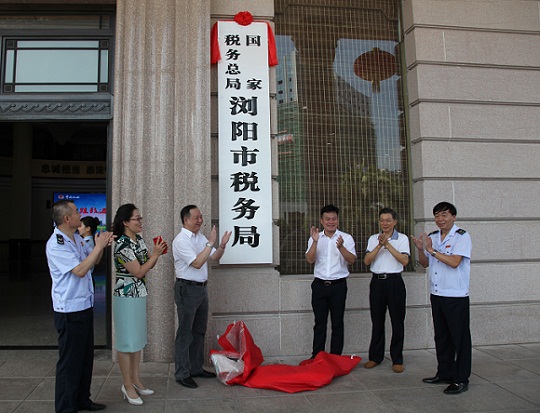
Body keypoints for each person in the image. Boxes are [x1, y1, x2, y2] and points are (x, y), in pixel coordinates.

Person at [46, 200, 114, 413]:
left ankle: (82, 399)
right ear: (67, 218)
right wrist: (99, 246)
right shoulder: (57, 243)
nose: (79, 214)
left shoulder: (75, 238)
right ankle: (66, 407)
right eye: (76, 212)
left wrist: (100, 245)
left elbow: (92, 262)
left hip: (84, 305)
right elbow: (80, 270)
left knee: (85, 359)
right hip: (69, 310)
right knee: (70, 362)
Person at [411, 201, 472, 395]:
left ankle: (461, 379)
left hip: (455, 295)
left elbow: (454, 262)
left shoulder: (462, 236)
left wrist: (432, 251)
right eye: (437, 215)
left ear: (453, 217)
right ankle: (444, 372)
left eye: (444, 215)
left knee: (459, 338)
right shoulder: (433, 236)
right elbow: (425, 264)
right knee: (442, 336)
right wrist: (422, 250)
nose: (440, 219)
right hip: (437, 293)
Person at [112, 204, 168, 405]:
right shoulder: (122, 244)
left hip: (139, 293)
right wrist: (154, 255)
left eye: (140, 218)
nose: (140, 221)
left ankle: (135, 380)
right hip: (126, 295)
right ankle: (126, 384)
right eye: (137, 219)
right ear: (125, 222)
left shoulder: (139, 240)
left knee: (136, 340)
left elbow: (147, 265)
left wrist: (155, 253)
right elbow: (138, 271)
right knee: (126, 342)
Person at [172, 204, 231, 389]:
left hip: (201, 289)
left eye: (201, 217)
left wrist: (221, 245)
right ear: (185, 220)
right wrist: (210, 244)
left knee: (198, 331)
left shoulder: (201, 238)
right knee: (185, 332)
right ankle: (182, 372)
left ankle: (196, 368)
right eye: (196, 218)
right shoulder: (181, 240)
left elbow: (213, 257)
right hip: (187, 290)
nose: (200, 221)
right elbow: (197, 263)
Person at [305, 204, 356, 358]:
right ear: (322, 220)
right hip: (320, 285)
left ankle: (335, 357)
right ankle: (317, 356)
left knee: (337, 323)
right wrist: (314, 242)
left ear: (338, 220)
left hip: (338, 286)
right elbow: (310, 259)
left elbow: (352, 260)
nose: (331, 222)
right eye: (327, 219)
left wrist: (341, 247)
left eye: (334, 218)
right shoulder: (316, 237)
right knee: (319, 324)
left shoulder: (346, 238)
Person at [363, 208, 410, 373]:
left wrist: (388, 245)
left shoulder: (402, 238)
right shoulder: (372, 239)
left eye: (388, 220)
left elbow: (404, 260)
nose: (385, 223)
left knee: (397, 321)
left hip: (394, 282)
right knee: (377, 321)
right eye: (382, 220)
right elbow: (367, 260)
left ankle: (397, 358)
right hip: (377, 283)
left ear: (395, 222)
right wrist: (379, 245)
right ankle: (375, 356)